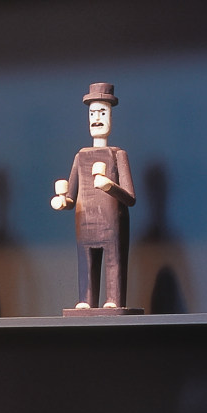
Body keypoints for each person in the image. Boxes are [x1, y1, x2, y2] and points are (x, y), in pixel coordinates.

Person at [51, 82, 135, 313]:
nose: (96, 119)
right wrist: (63, 201)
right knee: (86, 261)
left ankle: (113, 298)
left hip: (112, 222)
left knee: (113, 260)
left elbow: (129, 197)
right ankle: (86, 299)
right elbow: (71, 196)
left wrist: (109, 186)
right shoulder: (81, 156)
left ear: (111, 117)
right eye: (92, 113)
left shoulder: (117, 155)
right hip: (84, 222)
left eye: (102, 113)